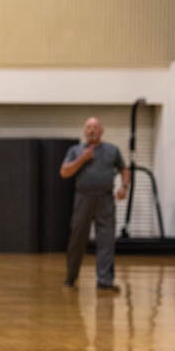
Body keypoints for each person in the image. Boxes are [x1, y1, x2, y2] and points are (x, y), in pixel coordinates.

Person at [60, 117, 129, 292]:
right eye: (89, 127)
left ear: (101, 130)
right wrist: (82, 159)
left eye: (95, 127)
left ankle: (105, 281)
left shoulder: (112, 150)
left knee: (106, 240)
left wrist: (124, 186)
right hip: (83, 198)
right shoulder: (75, 150)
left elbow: (124, 168)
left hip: (105, 199)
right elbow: (64, 172)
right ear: (85, 131)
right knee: (77, 239)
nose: (91, 130)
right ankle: (71, 277)